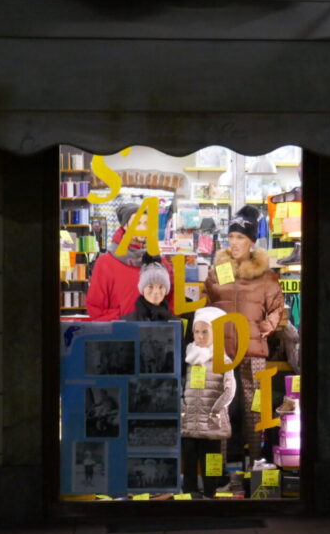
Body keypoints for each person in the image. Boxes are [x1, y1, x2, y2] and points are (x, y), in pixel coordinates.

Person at [203, 205, 284, 466]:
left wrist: (264, 329)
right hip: (223, 350)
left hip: (253, 349)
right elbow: (207, 306)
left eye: (240, 237)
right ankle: (221, 468)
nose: (234, 242)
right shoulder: (217, 273)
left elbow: (277, 310)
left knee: (254, 407)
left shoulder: (266, 277)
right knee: (221, 406)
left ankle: (257, 463)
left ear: (251, 242)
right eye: (231, 237)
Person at [180, 307, 236, 496]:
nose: (200, 336)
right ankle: (188, 494)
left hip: (211, 423)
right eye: (196, 331)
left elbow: (230, 390)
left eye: (205, 331)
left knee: (210, 461)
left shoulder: (222, 359)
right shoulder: (188, 357)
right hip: (189, 421)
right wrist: (182, 407)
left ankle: (210, 494)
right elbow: (179, 385)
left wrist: (215, 411)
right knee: (188, 460)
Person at [86, 204, 174, 320]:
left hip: (152, 334)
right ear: (125, 226)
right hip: (119, 334)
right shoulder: (106, 263)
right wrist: (124, 317)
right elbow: (95, 308)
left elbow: (171, 304)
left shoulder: (161, 263)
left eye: (146, 224)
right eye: (137, 223)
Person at [120, 256, 178, 322]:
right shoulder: (127, 321)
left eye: (161, 287)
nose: (156, 291)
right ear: (142, 288)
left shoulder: (174, 322)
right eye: (150, 287)